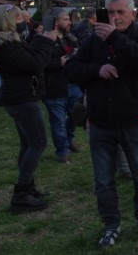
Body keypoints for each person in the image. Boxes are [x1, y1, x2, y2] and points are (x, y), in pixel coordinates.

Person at [65, 0, 138, 247]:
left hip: (134, 120)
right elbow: (72, 69)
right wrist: (97, 70)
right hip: (101, 122)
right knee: (103, 180)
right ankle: (111, 223)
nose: (115, 17)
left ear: (132, 13)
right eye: (111, 12)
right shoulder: (91, 40)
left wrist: (115, 38)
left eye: (120, 12)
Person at [0, 4, 56, 213]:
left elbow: (28, 57)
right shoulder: (7, 45)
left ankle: (28, 186)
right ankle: (21, 193)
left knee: (27, 144)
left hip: (20, 97)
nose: (23, 20)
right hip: (22, 99)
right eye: (19, 18)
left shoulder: (12, 41)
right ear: (9, 21)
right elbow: (34, 64)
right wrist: (46, 42)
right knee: (38, 143)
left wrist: (40, 39)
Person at [41, 9, 80, 163]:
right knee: (58, 121)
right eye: (65, 19)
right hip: (53, 88)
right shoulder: (42, 40)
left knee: (77, 114)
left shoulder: (70, 39)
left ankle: (68, 139)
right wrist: (59, 62)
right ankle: (62, 150)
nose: (69, 22)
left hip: (72, 84)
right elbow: (37, 63)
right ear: (56, 22)